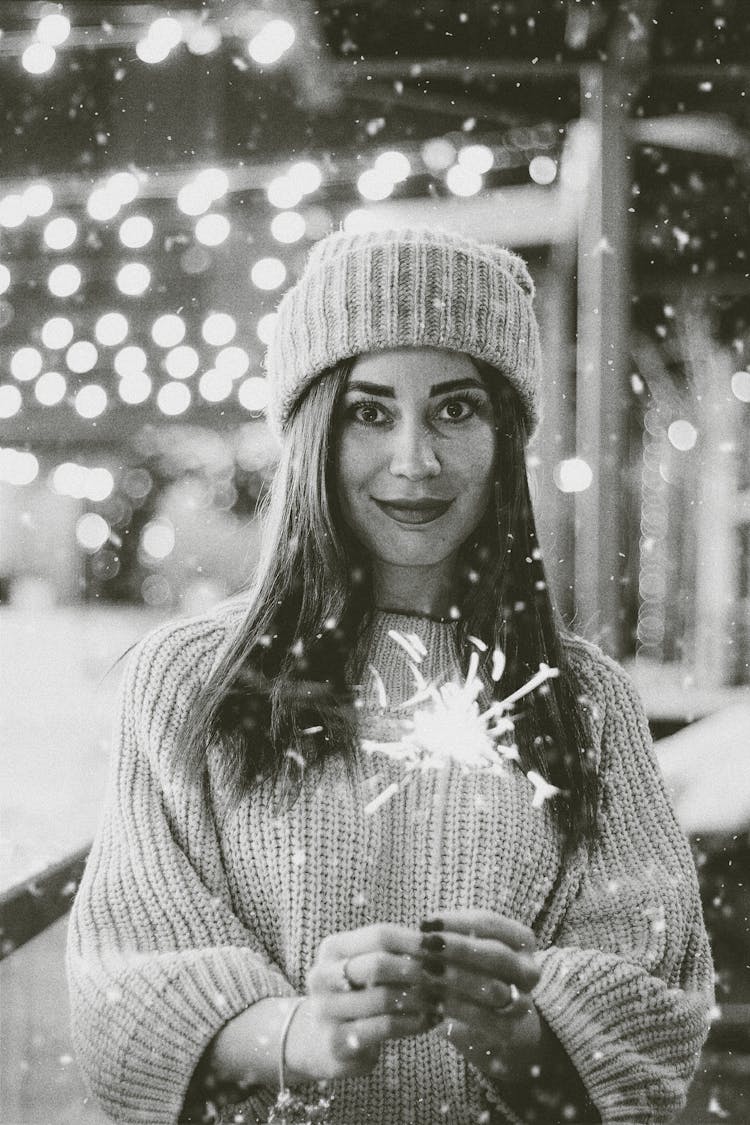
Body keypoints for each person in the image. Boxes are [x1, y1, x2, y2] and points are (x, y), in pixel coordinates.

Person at [67, 226, 714, 1125]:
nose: (416, 459)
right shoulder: (190, 681)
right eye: (369, 412)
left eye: (456, 409)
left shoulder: (585, 699)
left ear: (506, 435)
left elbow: (660, 1014)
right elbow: (122, 988)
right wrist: (302, 1031)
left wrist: (515, 1028)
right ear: (312, 434)